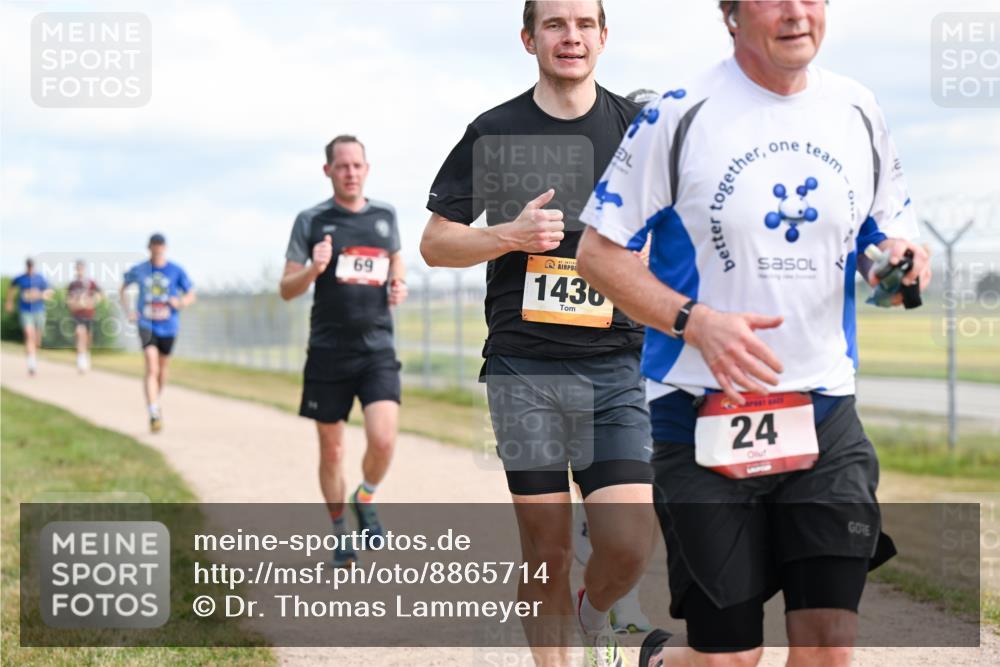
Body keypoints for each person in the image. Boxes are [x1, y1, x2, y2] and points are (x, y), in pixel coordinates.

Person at [575, 1, 930, 665]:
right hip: (700, 417)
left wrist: (901, 265)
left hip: (824, 416)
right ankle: (649, 657)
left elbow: (888, 235)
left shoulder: (858, 110)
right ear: (732, 13)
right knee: (729, 657)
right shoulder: (677, 116)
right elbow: (599, 254)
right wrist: (695, 321)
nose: (797, 12)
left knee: (829, 645)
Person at [421, 2, 656, 665]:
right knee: (547, 547)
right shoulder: (493, 131)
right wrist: (510, 236)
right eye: (555, 23)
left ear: (604, 38)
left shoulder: (639, 132)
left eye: (584, 23)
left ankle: (595, 607)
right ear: (529, 38)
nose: (570, 36)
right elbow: (436, 243)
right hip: (525, 367)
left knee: (630, 542)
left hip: (615, 366)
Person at [280, 135, 407, 569]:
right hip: (328, 352)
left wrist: (399, 281)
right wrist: (315, 268)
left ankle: (365, 495)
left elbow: (396, 257)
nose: (350, 173)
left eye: (357, 165)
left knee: (384, 437)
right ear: (328, 171)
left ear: (366, 169)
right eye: (342, 166)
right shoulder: (311, 220)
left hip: (377, 348)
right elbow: (285, 288)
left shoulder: (385, 215)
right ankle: (339, 531)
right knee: (332, 451)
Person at [120, 234, 195, 433]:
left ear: (165, 248)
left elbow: (190, 293)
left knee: (162, 371)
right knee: (151, 366)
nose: (158, 250)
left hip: (169, 325)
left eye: (161, 246)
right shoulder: (140, 269)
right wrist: (129, 311)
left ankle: (154, 401)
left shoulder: (175, 270)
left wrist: (180, 302)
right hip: (146, 323)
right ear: (149, 248)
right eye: (155, 246)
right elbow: (123, 288)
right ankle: (153, 412)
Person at [5, 258, 53, 375]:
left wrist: (40, 294)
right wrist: (9, 302)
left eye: (31, 266)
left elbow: (49, 292)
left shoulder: (40, 278)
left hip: (39, 311)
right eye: (28, 266)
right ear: (26, 266)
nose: (30, 268)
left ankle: (33, 356)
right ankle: (31, 364)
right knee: (28, 333)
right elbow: (11, 287)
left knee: (37, 340)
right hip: (25, 311)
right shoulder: (21, 278)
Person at [67, 259, 104, 373]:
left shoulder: (90, 283)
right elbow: (68, 300)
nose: (79, 271)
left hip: (89, 314)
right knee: (80, 333)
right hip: (77, 315)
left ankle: (86, 354)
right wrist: (75, 304)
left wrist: (91, 301)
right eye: (77, 268)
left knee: (87, 338)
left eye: (81, 268)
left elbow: (100, 295)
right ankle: (80, 362)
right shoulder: (73, 285)